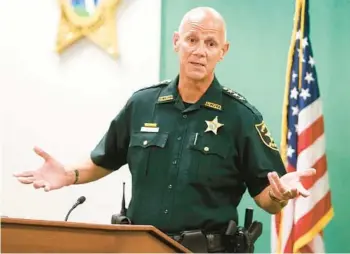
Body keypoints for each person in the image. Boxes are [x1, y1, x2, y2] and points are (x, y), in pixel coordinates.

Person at [14, 6, 315, 252]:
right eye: (192, 40)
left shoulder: (241, 117)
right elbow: (101, 160)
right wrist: (68, 174)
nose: (200, 51)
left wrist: (280, 195)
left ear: (223, 51)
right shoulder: (142, 104)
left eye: (211, 44)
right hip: (140, 248)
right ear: (176, 42)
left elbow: (267, 197)